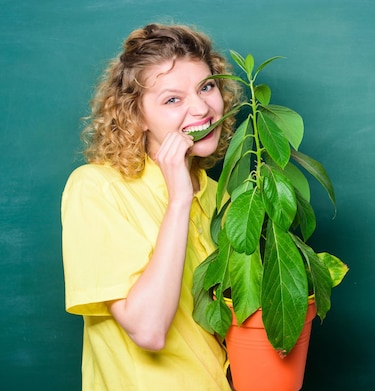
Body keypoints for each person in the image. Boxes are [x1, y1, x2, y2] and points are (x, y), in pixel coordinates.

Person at [61, 23, 241, 390]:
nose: (202, 107)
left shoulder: (222, 195)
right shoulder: (96, 188)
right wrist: (179, 201)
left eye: (206, 87)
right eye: (172, 99)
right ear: (137, 116)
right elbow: (148, 329)